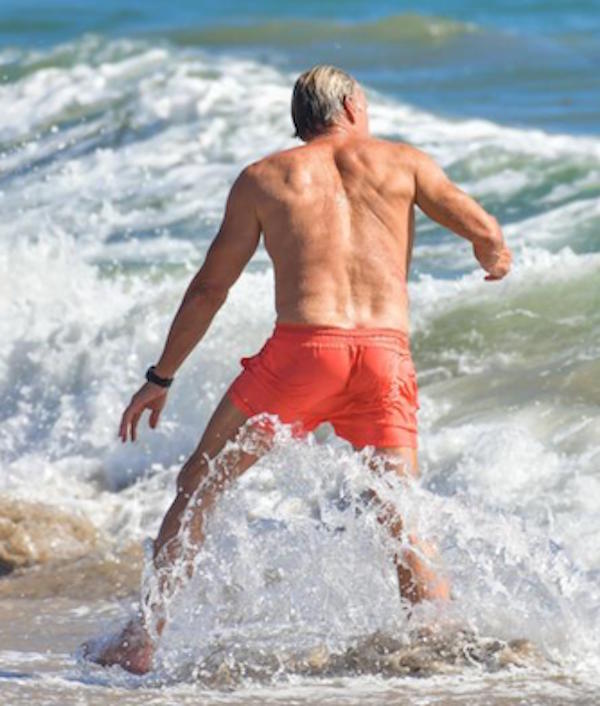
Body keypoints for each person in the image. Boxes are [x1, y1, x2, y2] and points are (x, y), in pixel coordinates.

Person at [86, 65, 512, 674]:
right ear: (353, 107)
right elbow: (484, 230)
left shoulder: (264, 178)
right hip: (384, 357)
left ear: (302, 119)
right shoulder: (405, 163)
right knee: (399, 507)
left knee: (199, 484)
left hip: (302, 357)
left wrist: (161, 377)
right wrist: (493, 257)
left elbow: (210, 288)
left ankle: (142, 638)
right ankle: (437, 637)